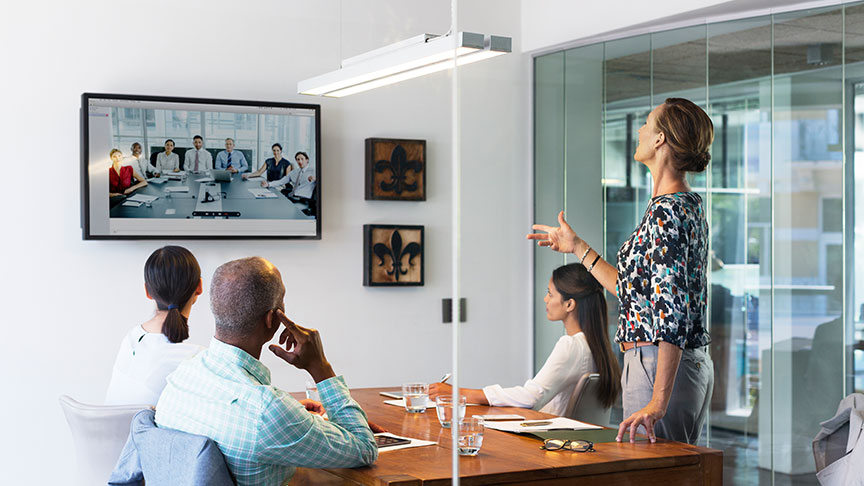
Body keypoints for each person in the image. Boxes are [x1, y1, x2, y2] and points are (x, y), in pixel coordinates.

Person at [528, 97, 714, 445]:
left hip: (656, 361)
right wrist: (577, 247)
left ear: (660, 140)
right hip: (670, 361)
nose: (641, 130)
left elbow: (670, 315)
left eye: (647, 123)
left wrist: (658, 401)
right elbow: (634, 290)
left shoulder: (667, 213)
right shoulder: (683, 206)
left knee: (654, 473)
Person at [155, 257, 378, 485]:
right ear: (272, 319)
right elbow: (364, 448)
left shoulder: (182, 375)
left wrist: (292, 417)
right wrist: (320, 367)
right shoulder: (267, 412)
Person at [429, 263, 620, 416]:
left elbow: (531, 396)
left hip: (548, 444)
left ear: (569, 304)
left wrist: (459, 393)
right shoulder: (597, 348)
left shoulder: (571, 346)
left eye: (550, 294)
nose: (546, 299)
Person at [104, 246, 203, 406]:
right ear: (199, 287)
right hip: (149, 431)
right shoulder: (196, 359)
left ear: (147, 291)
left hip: (111, 431)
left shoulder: (131, 339)